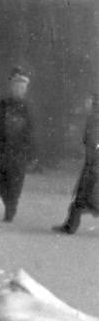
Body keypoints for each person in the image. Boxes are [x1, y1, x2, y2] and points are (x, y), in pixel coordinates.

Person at [0, 68, 34, 222]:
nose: (19, 90)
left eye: (22, 87)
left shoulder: (27, 108)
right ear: (11, 87)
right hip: (2, 150)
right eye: (16, 86)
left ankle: (10, 209)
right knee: (1, 182)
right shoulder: (2, 105)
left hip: (19, 152)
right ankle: (8, 203)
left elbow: (31, 132)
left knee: (15, 183)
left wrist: (31, 153)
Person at [55, 94, 99, 235]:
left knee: (83, 196)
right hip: (93, 164)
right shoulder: (93, 119)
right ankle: (70, 225)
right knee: (85, 196)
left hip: (93, 165)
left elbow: (93, 142)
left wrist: (92, 160)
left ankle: (70, 225)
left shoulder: (95, 120)